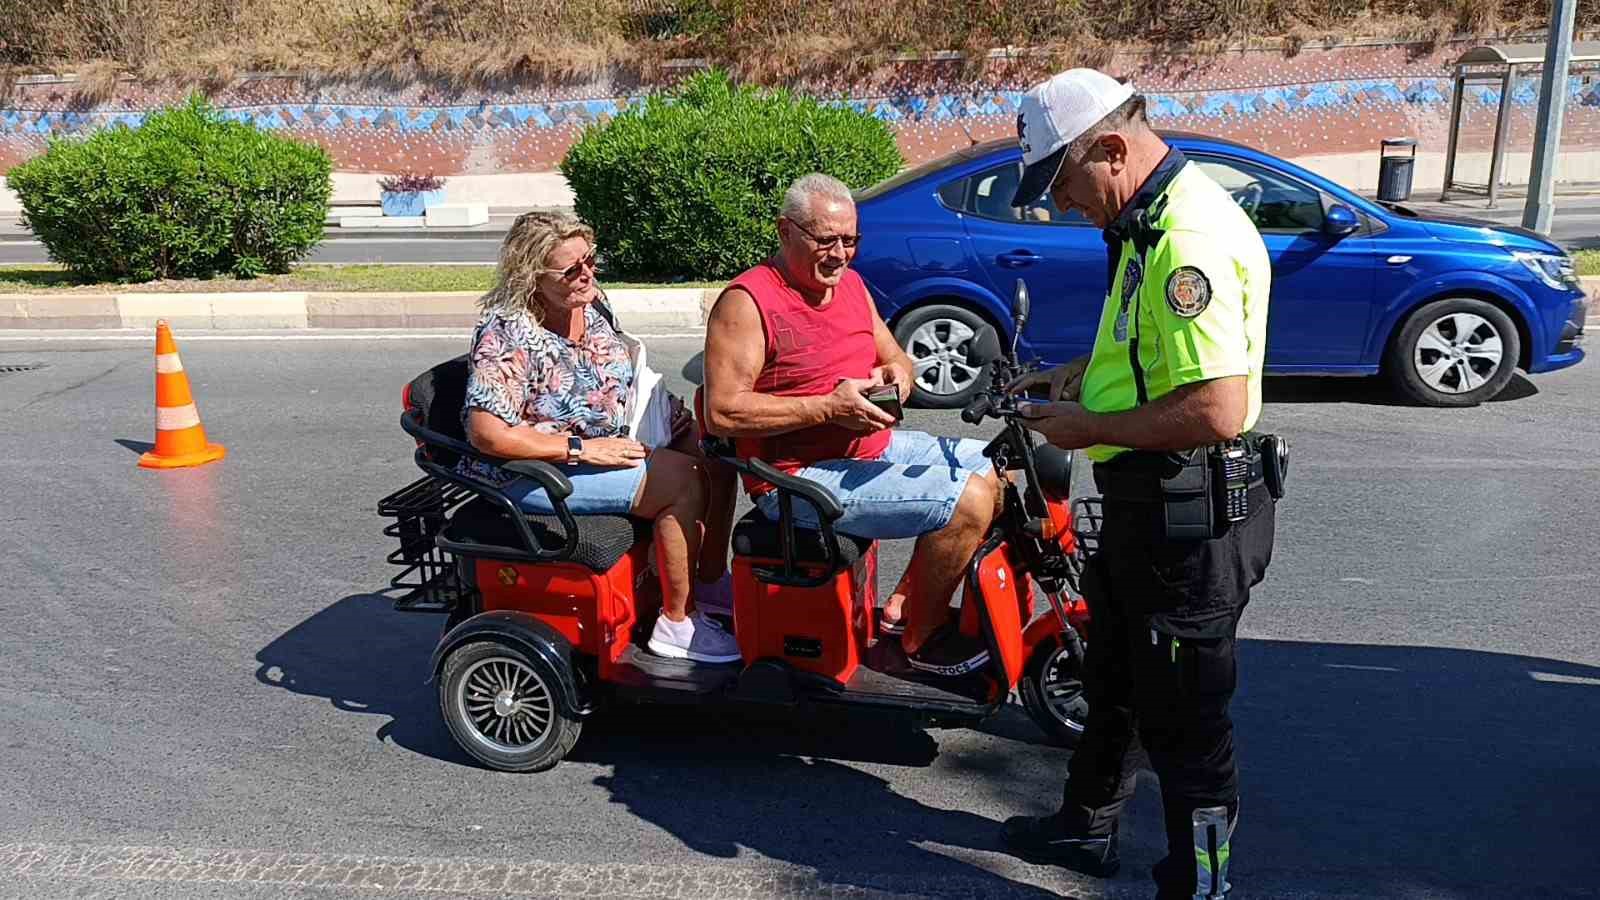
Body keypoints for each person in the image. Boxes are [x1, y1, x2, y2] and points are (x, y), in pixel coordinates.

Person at [995, 70, 1278, 899]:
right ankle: (1086, 827)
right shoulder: (1143, 221)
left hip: (1188, 519)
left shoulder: (1184, 237)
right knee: (1112, 677)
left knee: (1189, 725)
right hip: (1144, 509)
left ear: (1112, 149)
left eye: (1065, 182)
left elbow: (1219, 408)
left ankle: (1203, 886)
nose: (1063, 204)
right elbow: (1145, 351)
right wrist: (1077, 379)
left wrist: (1090, 429)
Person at [701, 173, 998, 677]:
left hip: (867, 447)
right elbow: (723, 411)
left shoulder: (850, 285)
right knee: (968, 501)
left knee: (996, 465)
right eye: (826, 240)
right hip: (796, 478)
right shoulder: (747, 302)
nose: (840, 254)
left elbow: (896, 356)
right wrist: (828, 408)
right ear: (784, 231)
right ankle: (920, 644)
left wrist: (897, 377)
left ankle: (907, 606)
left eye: (849, 240)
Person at [459, 211, 742, 664]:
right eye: (571, 269)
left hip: (608, 439)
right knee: (683, 479)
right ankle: (677, 623)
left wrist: (664, 413)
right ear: (532, 274)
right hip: (539, 468)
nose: (587, 274)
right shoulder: (508, 333)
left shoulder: (589, 304)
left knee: (720, 452)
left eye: (590, 260)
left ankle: (707, 580)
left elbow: (616, 371)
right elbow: (488, 434)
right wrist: (583, 449)